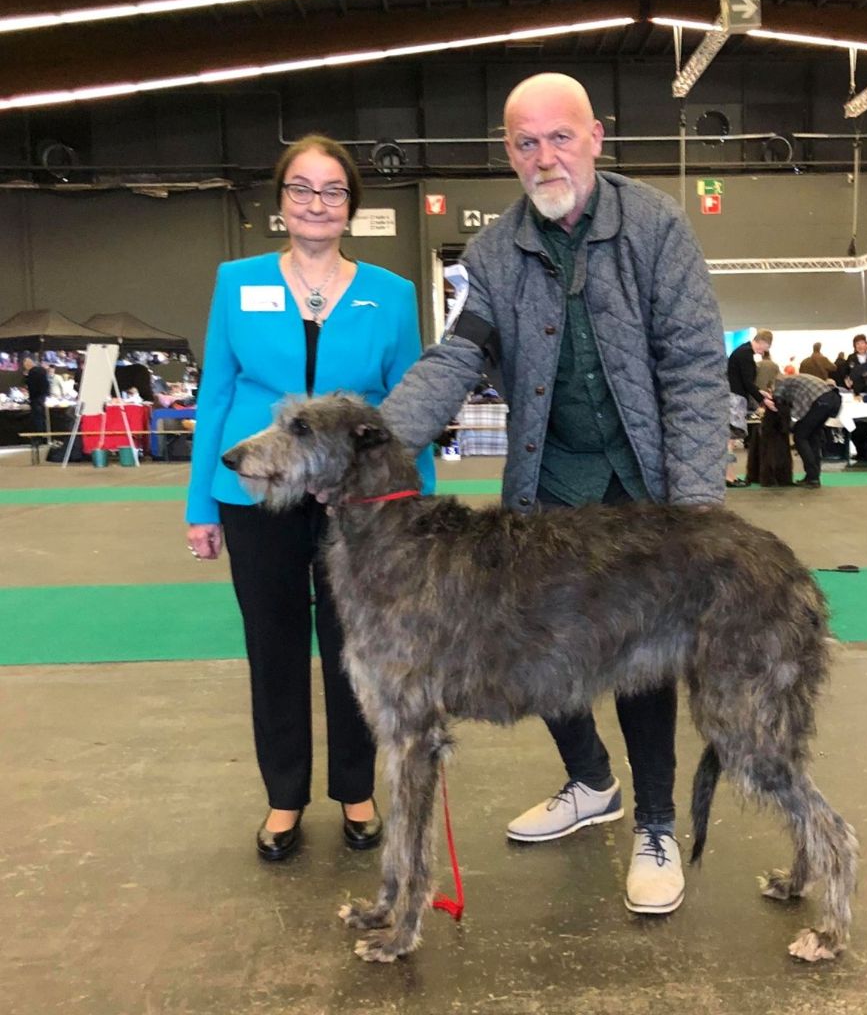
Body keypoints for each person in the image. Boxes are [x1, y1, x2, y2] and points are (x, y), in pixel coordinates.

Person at [380, 72, 727, 916]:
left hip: (644, 493)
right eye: (526, 142)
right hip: (548, 486)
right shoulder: (492, 254)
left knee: (642, 666)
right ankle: (589, 782)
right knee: (532, 656)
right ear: (509, 152)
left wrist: (693, 513)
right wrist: (374, 444)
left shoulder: (656, 227)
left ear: (596, 137)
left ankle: (653, 825)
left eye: (559, 137)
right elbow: (457, 358)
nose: (544, 156)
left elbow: (691, 371)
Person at [185, 134, 434, 862]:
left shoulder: (392, 294)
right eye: (301, 188)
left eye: (331, 190)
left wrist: (414, 506)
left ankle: (355, 791)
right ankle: (283, 798)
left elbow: (406, 403)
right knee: (275, 646)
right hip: (253, 491)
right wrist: (202, 503)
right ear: (280, 202)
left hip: (357, 505)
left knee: (356, 651)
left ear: (350, 206)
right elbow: (217, 394)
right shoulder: (237, 282)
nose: (316, 203)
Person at [766, 373, 842, 489]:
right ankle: (813, 476)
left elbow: (778, 398)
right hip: (832, 400)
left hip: (820, 401)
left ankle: (812, 477)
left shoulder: (783, 382)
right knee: (812, 436)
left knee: (800, 436)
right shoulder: (797, 379)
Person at [22, 357, 49, 434]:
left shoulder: (32, 373)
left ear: (28, 364)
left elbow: (32, 387)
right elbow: (46, 385)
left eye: (25, 366)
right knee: (41, 417)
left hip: (35, 399)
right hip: (42, 397)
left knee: (37, 418)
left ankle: (38, 436)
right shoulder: (42, 371)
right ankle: (43, 435)